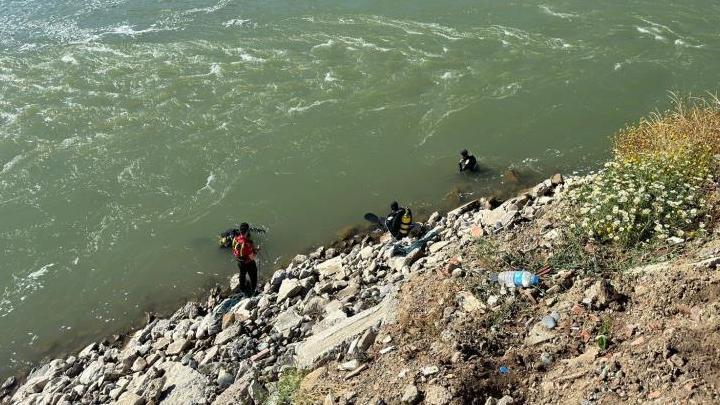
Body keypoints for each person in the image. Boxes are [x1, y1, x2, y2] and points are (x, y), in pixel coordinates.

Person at [231, 223, 258, 296]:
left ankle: (242, 288)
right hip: (248, 263)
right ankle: (253, 290)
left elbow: (234, 249)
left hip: (239, 261)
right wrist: (256, 251)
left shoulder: (235, 239)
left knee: (242, 274)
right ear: (247, 231)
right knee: (253, 276)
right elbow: (252, 257)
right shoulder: (247, 243)